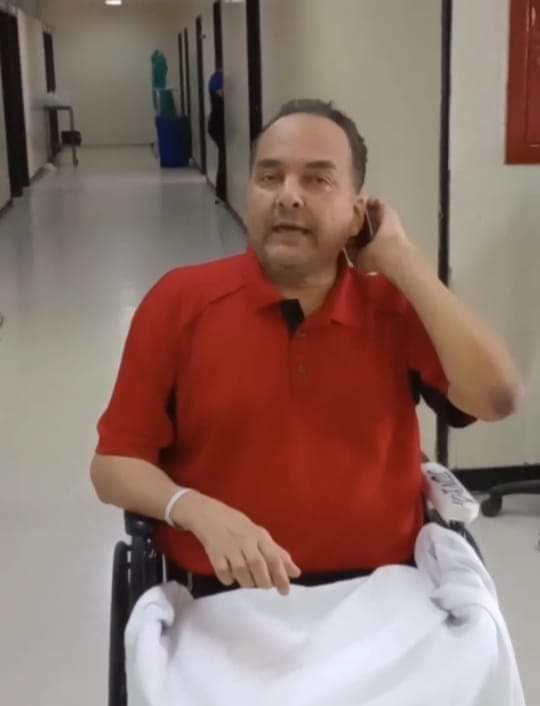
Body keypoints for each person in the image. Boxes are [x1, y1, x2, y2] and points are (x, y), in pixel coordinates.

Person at [91, 99, 524, 599]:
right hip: (222, 596)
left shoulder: (393, 308)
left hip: (383, 594)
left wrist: (401, 260)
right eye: (269, 177)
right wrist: (193, 509)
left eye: (318, 180)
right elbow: (113, 465)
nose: (288, 197)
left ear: (358, 213)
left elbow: (497, 397)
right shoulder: (181, 302)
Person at [207, 66, 226, 203]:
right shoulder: (216, 78)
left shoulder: (218, 78)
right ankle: (221, 193)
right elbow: (221, 94)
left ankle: (221, 193)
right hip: (217, 126)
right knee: (223, 157)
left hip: (218, 124)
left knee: (224, 157)